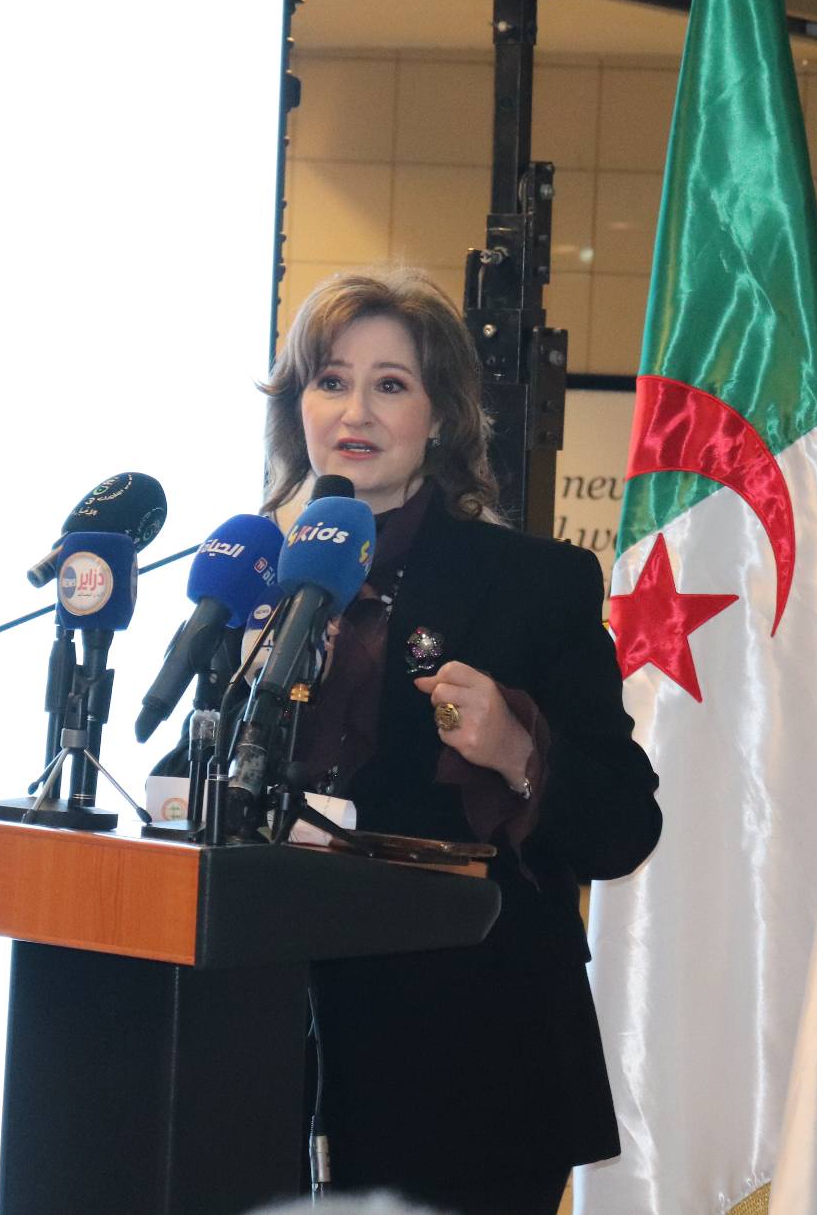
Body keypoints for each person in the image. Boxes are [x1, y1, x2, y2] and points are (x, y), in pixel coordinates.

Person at [255, 268, 662, 1214]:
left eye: (390, 383)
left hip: (472, 1074)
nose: (355, 410)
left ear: (440, 416)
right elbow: (183, 802)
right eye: (330, 380)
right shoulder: (253, 577)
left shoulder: (533, 584)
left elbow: (622, 826)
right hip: (260, 1063)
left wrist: (521, 751)